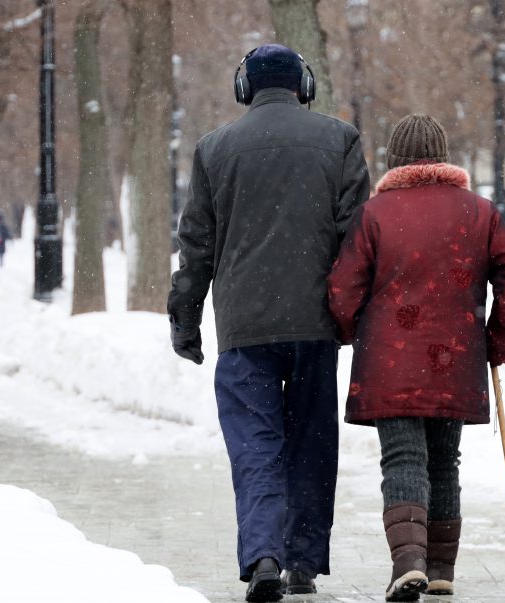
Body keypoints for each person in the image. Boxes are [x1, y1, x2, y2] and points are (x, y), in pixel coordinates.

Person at [167, 44, 369, 602]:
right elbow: (357, 241)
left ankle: (263, 555)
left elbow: (196, 247)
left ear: (244, 88)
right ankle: (303, 561)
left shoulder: (214, 149)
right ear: (303, 85)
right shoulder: (341, 139)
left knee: (255, 446)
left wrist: (185, 319)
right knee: (311, 440)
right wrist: (349, 314)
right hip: (314, 323)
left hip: (243, 326)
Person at [328, 115, 505, 602]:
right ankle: (441, 569)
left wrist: (352, 331)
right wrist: (498, 339)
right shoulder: (479, 213)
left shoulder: (375, 214)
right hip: (456, 359)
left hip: (389, 362)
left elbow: (342, 289)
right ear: (443, 158)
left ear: (393, 160)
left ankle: (408, 565)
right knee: (444, 461)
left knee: (403, 458)